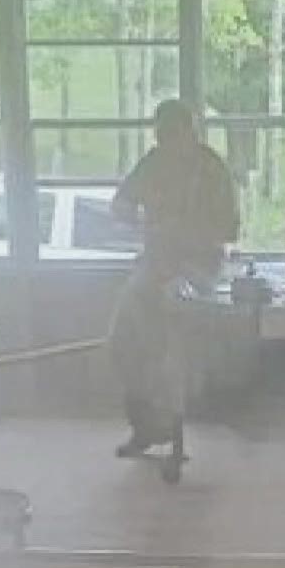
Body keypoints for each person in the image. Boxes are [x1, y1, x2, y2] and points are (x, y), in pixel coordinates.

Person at [107, 100, 241, 458]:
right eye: (163, 137)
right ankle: (144, 426)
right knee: (123, 337)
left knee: (173, 343)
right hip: (155, 263)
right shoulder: (152, 164)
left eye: (175, 136)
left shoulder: (212, 169)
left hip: (199, 267)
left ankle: (176, 419)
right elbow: (120, 203)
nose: (169, 144)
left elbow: (230, 229)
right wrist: (139, 221)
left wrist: (189, 233)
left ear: (190, 132)